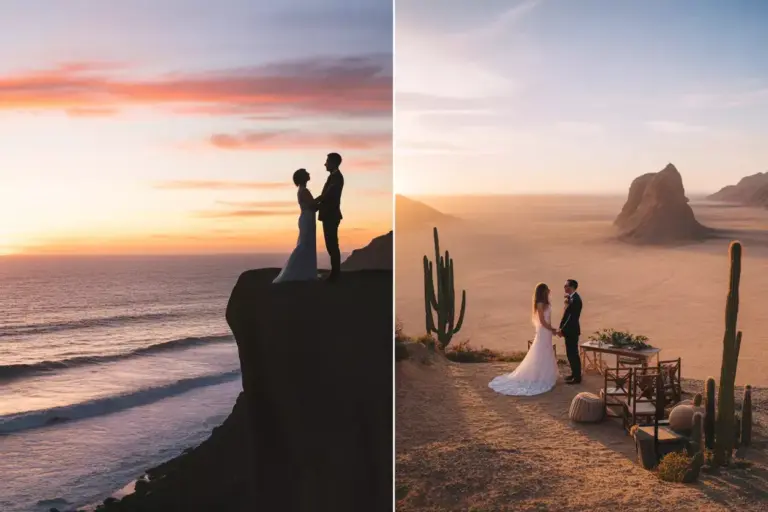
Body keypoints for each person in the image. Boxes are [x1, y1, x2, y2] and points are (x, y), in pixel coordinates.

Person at [488, 283, 560, 396]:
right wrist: (552, 329)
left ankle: (543, 374)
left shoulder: (546, 303)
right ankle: (538, 376)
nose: (549, 291)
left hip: (547, 332)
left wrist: (552, 330)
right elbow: (542, 321)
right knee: (541, 351)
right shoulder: (540, 304)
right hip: (544, 331)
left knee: (546, 351)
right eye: (547, 290)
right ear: (543, 291)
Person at [272, 169, 318, 283]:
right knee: (304, 245)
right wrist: (324, 198)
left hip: (307, 219)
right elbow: (313, 206)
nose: (309, 173)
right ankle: (297, 271)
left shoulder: (302, 191)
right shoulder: (304, 191)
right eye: (306, 172)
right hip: (307, 219)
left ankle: (305, 271)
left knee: (306, 244)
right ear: (303, 177)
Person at [315, 152, 344, 282]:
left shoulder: (337, 177)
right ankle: (335, 273)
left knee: (332, 244)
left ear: (333, 163)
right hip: (329, 215)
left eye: (327, 161)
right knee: (331, 244)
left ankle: (335, 274)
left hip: (331, 215)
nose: (325, 164)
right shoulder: (334, 177)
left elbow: (328, 195)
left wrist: (313, 203)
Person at [556, 279, 583, 384]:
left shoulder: (576, 300)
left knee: (573, 354)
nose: (564, 288)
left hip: (572, 331)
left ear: (571, 287)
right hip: (570, 330)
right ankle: (574, 374)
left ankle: (577, 377)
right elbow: (566, 315)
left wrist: (562, 330)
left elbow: (571, 318)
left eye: (566, 286)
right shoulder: (571, 298)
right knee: (570, 353)